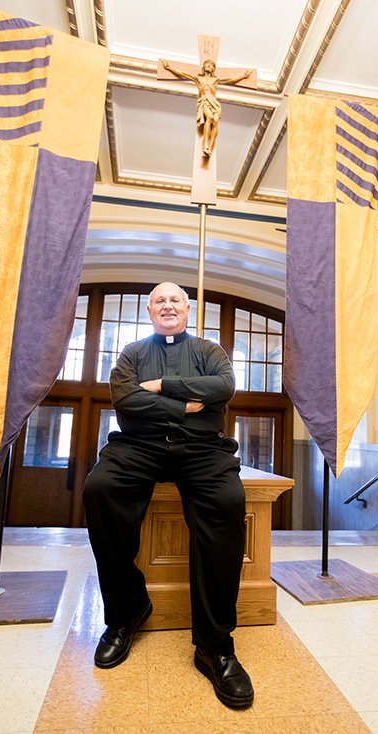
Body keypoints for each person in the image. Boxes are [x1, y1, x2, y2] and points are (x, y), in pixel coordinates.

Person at [83, 282, 254, 709]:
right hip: (137, 446)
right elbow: (124, 397)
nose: (168, 305)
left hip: (201, 449)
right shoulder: (132, 354)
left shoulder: (211, 350)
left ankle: (214, 646)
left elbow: (224, 388)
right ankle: (127, 612)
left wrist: (161, 386)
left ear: (188, 308)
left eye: (175, 299)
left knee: (229, 503)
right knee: (100, 489)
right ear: (149, 310)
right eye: (159, 300)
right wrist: (185, 402)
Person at [160, 59, 252, 157]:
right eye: (207, 64)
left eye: (211, 65)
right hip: (204, 101)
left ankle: (210, 147)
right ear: (203, 67)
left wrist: (243, 76)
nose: (209, 65)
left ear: (213, 69)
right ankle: (205, 145)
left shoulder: (215, 80)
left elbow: (231, 79)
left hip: (214, 102)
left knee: (215, 121)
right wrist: (169, 68)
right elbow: (183, 73)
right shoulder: (198, 78)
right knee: (209, 118)